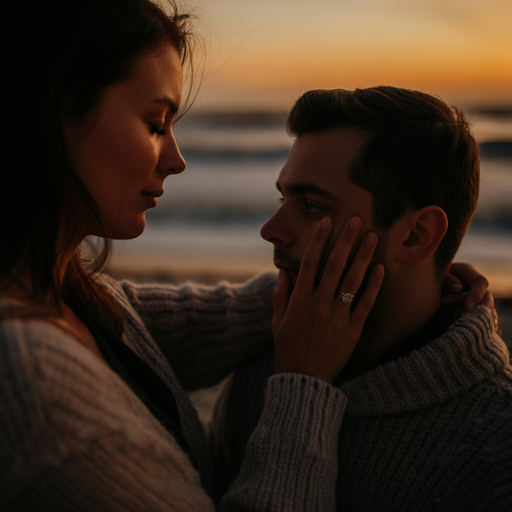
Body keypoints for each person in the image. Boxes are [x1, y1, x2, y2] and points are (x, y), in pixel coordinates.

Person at [0, 1, 494, 509]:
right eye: (155, 123)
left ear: (417, 235)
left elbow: (212, 318)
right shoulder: (34, 386)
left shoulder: (68, 297)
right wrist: (303, 385)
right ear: (54, 114)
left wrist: (412, 277)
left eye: (309, 205)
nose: (176, 159)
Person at [208, 87, 512, 511]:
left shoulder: (496, 447)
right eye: (283, 198)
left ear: (416, 235)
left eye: (312, 205)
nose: (271, 228)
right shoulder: (260, 378)